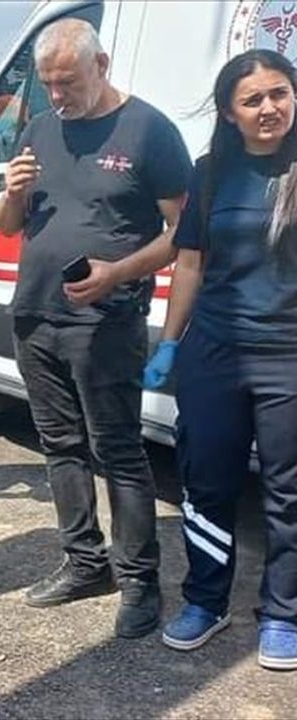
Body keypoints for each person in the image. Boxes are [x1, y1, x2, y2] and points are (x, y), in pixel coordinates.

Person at [0, 18, 191, 638]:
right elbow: (5, 226)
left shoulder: (149, 130)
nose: (58, 95)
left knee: (119, 451)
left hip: (105, 321)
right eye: (48, 83)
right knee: (60, 448)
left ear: (101, 65)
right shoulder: (40, 129)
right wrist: (12, 194)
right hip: (35, 314)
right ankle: (84, 563)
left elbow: (184, 235)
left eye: (68, 82)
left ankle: (139, 582)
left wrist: (117, 273)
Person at [144, 49, 297, 670]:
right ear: (230, 113)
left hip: (288, 358)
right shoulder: (210, 173)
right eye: (253, 99)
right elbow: (190, 263)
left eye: (280, 93)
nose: (270, 108)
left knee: (288, 493)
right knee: (207, 481)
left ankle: (284, 613)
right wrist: (169, 345)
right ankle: (207, 600)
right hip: (213, 354)